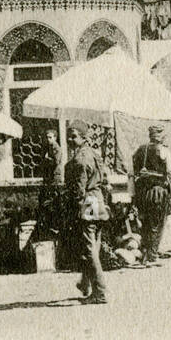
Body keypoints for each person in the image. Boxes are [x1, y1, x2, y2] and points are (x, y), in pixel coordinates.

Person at [64, 120, 111, 303]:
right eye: (69, 136)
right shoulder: (94, 153)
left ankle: (99, 291)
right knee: (93, 245)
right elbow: (104, 178)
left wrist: (74, 207)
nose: (70, 139)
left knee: (89, 247)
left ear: (84, 137)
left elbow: (78, 190)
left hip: (88, 202)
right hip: (98, 199)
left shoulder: (80, 158)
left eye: (74, 136)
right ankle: (86, 283)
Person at [131, 125, 171, 267]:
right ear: (161, 136)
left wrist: (133, 194)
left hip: (142, 192)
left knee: (146, 223)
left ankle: (147, 252)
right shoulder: (163, 151)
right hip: (158, 192)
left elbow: (131, 173)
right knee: (157, 223)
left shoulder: (139, 150)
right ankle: (151, 256)